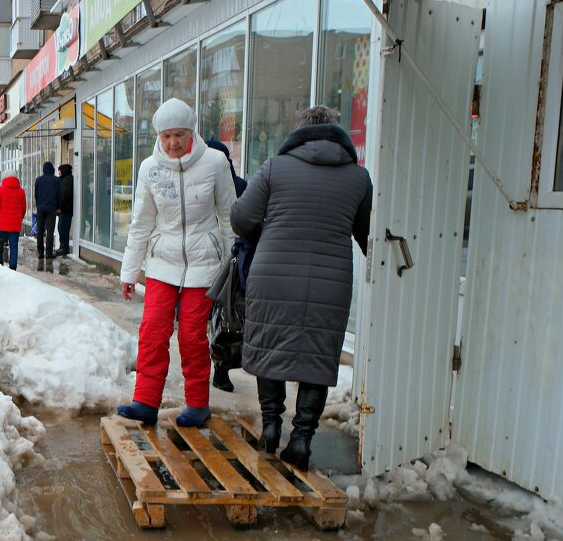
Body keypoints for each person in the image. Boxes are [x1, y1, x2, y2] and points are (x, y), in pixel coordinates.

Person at [231, 106, 372, 471]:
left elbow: (241, 218)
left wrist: (269, 230)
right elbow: (368, 236)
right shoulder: (359, 178)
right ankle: (302, 440)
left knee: (270, 347)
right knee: (317, 357)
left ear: (298, 133)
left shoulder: (275, 168)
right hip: (330, 282)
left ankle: (272, 427)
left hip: (272, 274)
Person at [116, 98, 235, 428]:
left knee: (192, 337)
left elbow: (228, 216)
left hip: (203, 265)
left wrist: (231, 267)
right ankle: (145, 401)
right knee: (152, 333)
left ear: (191, 131)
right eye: (167, 136)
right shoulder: (148, 168)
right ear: (159, 135)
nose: (173, 143)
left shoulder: (214, 162)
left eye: (179, 135)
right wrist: (129, 272)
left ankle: (197, 403)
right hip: (161, 263)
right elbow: (140, 223)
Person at [203, 139, 253, 393]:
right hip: (230, 260)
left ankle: (217, 367)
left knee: (215, 316)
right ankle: (219, 369)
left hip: (221, 261)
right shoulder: (241, 184)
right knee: (225, 316)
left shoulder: (231, 184)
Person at [0, 174, 26, 270]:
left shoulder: (0, 190)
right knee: (14, 246)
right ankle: (13, 267)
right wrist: (19, 219)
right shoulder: (21, 192)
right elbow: (23, 208)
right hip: (15, 226)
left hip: (1, 225)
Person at [33, 161, 61, 258]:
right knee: (50, 231)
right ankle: (49, 253)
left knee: (40, 230)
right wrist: (58, 207)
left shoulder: (38, 180)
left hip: (41, 208)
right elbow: (59, 195)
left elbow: (36, 195)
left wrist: (38, 205)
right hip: (51, 209)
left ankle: (40, 252)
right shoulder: (56, 180)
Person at [56, 163, 74, 256]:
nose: (58, 173)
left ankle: (64, 248)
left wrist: (59, 207)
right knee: (61, 228)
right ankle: (62, 246)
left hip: (65, 210)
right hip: (65, 209)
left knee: (63, 228)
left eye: (59, 171)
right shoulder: (64, 179)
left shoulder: (67, 180)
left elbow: (64, 196)